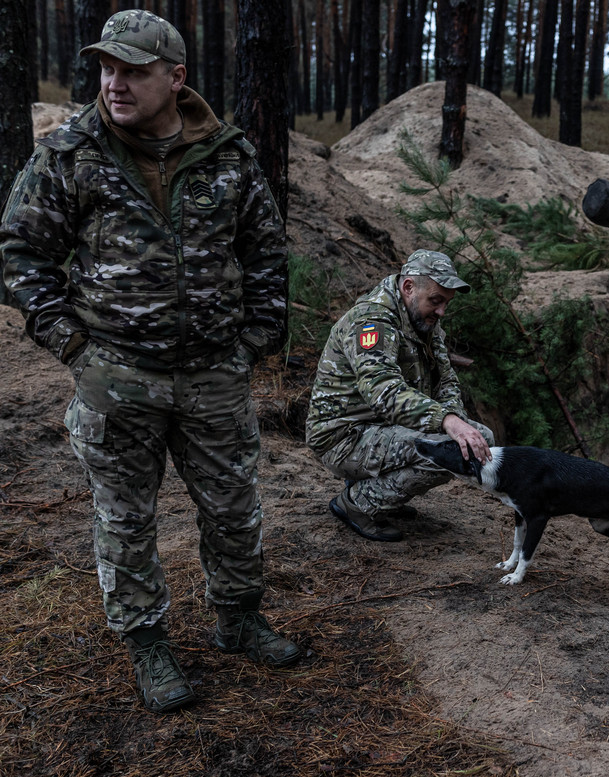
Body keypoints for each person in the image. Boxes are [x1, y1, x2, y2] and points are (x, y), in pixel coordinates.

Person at [0, 10, 301, 713]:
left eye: (133, 69)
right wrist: (73, 345)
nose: (115, 83)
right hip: (117, 377)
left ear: (176, 77)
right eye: (107, 68)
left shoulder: (228, 156)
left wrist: (256, 338)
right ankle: (148, 643)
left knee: (233, 507)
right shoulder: (71, 153)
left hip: (213, 375)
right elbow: (21, 252)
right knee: (126, 518)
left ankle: (239, 618)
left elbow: (264, 250)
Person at [306, 250, 495, 543]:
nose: (442, 310)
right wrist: (446, 421)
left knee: (477, 438)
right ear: (409, 287)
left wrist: (454, 417)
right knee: (453, 450)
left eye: (446, 302)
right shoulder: (373, 321)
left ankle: (379, 493)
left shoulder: (423, 318)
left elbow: (445, 379)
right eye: (436, 300)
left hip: (382, 428)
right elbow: (382, 391)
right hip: (343, 437)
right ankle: (358, 503)